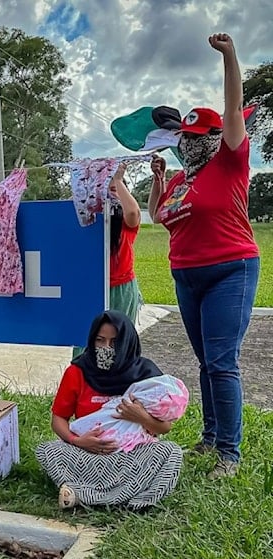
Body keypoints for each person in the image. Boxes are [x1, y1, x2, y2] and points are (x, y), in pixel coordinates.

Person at [147, 33, 259, 479]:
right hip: (186, 276)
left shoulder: (229, 162)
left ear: (215, 137)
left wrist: (230, 56)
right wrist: (158, 178)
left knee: (221, 362)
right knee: (204, 362)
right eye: (185, 137)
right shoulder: (180, 180)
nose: (190, 143)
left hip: (230, 269)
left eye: (198, 136)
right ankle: (210, 437)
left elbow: (233, 109)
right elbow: (159, 216)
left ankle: (228, 453)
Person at [36, 311, 184, 510]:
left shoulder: (146, 374)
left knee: (170, 452)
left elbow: (164, 428)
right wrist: (78, 441)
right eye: (100, 340)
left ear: (127, 342)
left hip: (132, 454)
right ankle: (124, 493)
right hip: (87, 454)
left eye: (114, 342)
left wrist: (140, 417)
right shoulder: (78, 371)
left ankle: (87, 494)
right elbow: (58, 419)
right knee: (48, 450)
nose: (106, 348)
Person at [72, 163, 145, 359]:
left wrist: (118, 180)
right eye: (107, 186)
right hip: (92, 288)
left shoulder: (125, 223)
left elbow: (133, 213)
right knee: (87, 340)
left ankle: (117, 382)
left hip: (121, 288)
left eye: (117, 189)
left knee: (118, 340)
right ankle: (85, 382)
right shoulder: (90, 219)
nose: (112, 192)